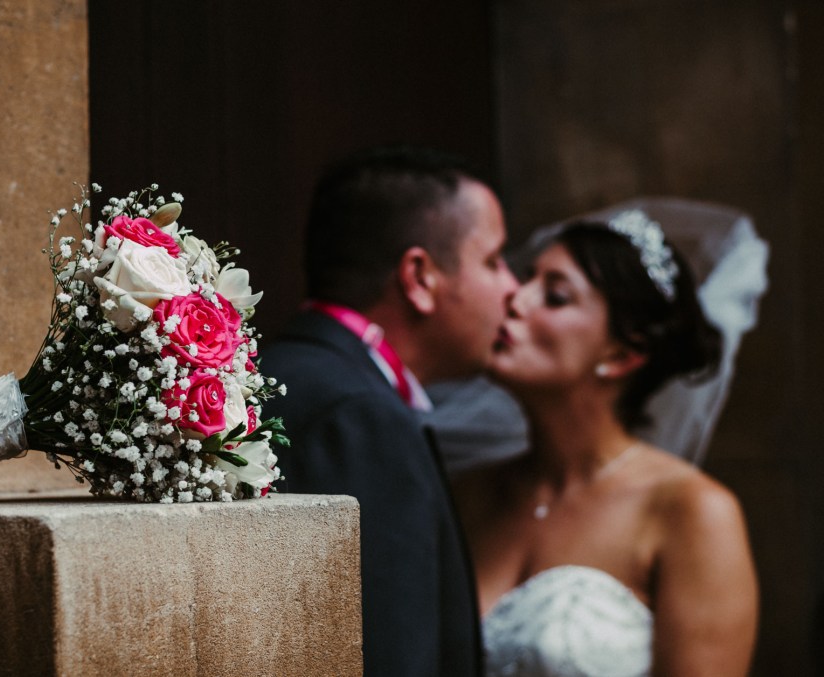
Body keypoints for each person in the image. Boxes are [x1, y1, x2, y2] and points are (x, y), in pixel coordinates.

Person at [454, 211, 758, 676]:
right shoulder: (468, 495)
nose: (514, 298)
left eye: (555, 296)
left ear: (620, 354)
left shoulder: (692, 511)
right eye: (525, 277)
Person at [259, 145, 519, 676]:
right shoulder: (358, 414)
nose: (513, 288)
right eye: (493, 261)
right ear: (420, 277)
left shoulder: (280, 371)